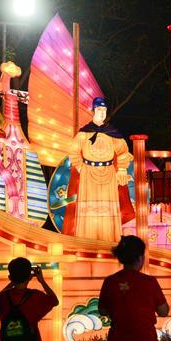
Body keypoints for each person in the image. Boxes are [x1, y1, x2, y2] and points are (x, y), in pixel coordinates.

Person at [63, 97, 135, 241]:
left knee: (107, 210)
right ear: (93, 110)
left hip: (108, 173)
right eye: (99, 109)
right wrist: (80, 166)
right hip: (88, 174)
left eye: (104, 110)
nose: (102, 113)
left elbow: (123, 152)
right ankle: (87, 241)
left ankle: (109, 241)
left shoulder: (112, 133)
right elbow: (73, 151)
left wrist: (121, 170)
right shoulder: (84, 133)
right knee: (89, 211)